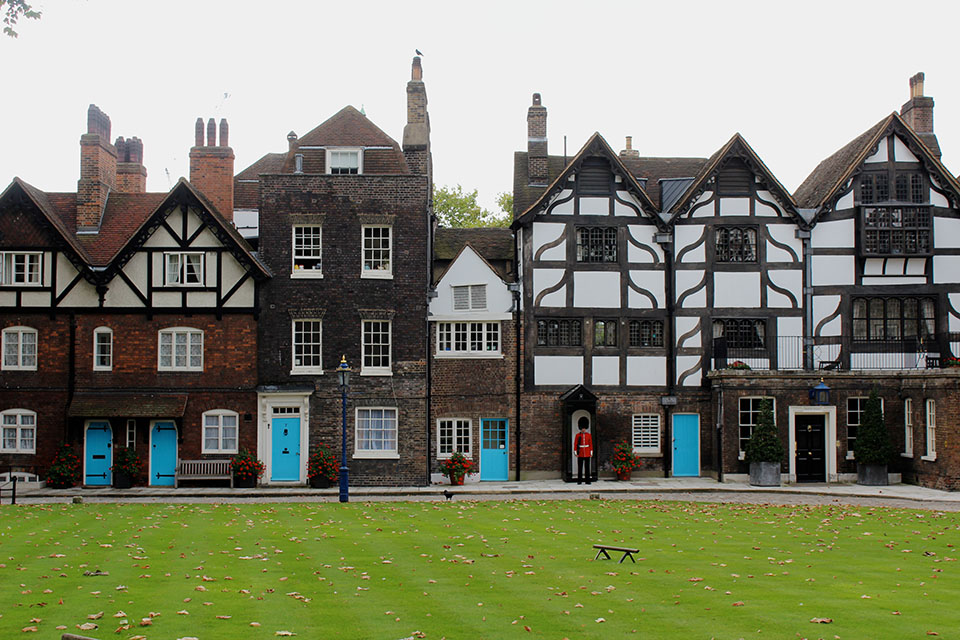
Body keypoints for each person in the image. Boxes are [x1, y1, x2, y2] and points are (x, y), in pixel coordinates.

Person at [574, 418, 593, 484]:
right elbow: (575, 444)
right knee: (580, 467)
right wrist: (576, 452)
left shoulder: (589, 435)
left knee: (587, 467)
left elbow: (590, 444)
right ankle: (579, 480)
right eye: (582, 428)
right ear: (580, 428)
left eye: (584, 428)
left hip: (587, 452)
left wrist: (591, 452)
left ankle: (587, 480)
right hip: (581, 452)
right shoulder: (577, 435)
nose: (583, 429)